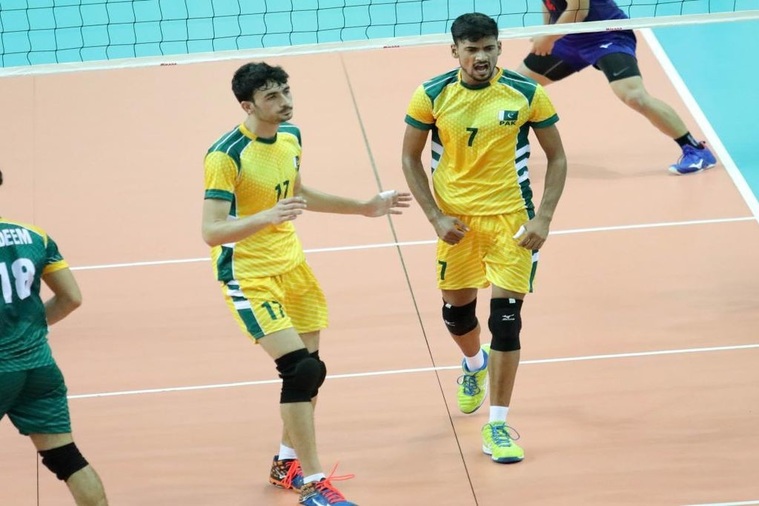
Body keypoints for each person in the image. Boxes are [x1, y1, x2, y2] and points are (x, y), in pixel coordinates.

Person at [201, 62, 411, 506]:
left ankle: (286, 465)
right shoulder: (225, 155)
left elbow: (299, 193)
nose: (285, 102)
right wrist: (265, 217)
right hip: (249, 274)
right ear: (248, 106)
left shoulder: (291, 137)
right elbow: (212, 230)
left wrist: (364, 207)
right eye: (272, 96)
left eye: (285, 91)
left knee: (311, 373)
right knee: (301, 370)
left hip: (292, 267)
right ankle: (314, 485)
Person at [401, 12, 568, 463]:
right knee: (457, 316)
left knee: (506, 321)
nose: (481, 57)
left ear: (499, 48)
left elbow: (557, 157)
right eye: (471, 49)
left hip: (512, 221)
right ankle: (474, 364)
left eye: (488, 48)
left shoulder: (526, 93)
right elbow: (410, 158)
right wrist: (435, 217)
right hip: (457, 224)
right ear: (454, 51)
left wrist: (543, 218)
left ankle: (496, 425)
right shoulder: (432, 94)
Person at [0, 169, 109, 505]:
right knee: (66, 458)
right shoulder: (35, 236)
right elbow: (71, 298)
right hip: (38, 368)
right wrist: (29, 330)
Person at [516, 0, 717, 175]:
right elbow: (549, 3)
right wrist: (549, 30)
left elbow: (579, 10)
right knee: (516, 89)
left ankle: (696, 150)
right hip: (570, 38)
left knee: (634, 96)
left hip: (606, 34)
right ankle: (509, 146)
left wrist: (549, 37)